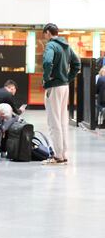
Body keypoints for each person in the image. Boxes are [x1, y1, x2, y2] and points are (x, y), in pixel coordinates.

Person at [42, 23, 81, 165]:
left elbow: (47, 62)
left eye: (44, 34)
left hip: (54, 87)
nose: (45, 37)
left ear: (47, 32)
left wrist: (47, 78)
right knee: (63, 120)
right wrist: (68, 78)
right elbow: (77, 64)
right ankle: (63, 153)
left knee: (54, 121)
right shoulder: (66, 46)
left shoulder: (51, 45)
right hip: (65, 87)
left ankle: (58, 156)